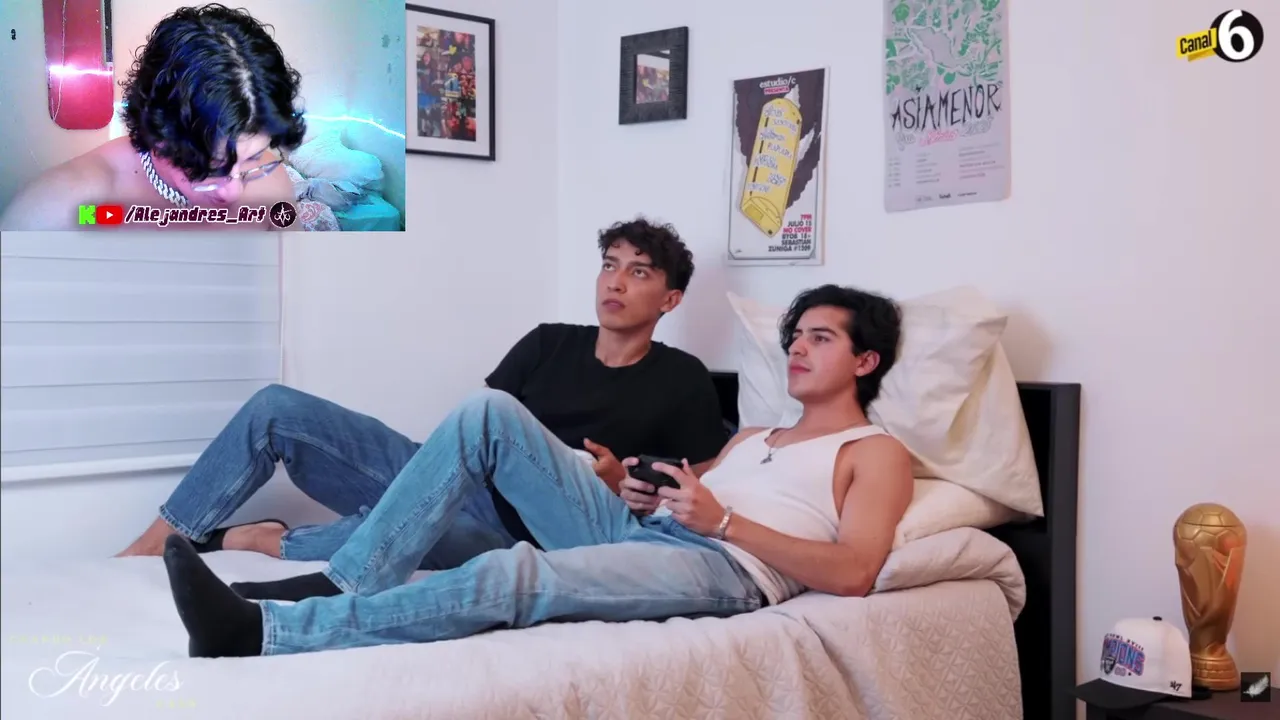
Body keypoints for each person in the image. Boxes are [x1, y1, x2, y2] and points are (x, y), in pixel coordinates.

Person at [159, 284, 915, 658]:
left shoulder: (873, 452)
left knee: (514, 573)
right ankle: (351, 576)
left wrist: (722, 522)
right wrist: (638, 490)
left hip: (724, 567)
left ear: (866, 361)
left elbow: (854, 571)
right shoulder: (754, 434)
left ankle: (266, 632)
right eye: (796, 336)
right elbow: (688, 492)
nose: (798, 348)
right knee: (488, 412)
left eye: (821, 338)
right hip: (640, 530)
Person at [117, 218, 729, 574]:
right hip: (450, 478)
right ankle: (157, 540)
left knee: (400, 538)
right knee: (276, 408)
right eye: (609, 265)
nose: (616, 281)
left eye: (639, 272)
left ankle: (250, 538)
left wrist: (620, 484)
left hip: (518, 535)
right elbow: (470, 429)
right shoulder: (548, 342)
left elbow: (701, 484)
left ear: (671, 299)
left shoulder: (682, 379)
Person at [0, 4, 300, 231]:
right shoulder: (66, 207)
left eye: (253, 158)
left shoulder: (274, 191)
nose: (233, 191)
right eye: (208, 166)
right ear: (157, 132)